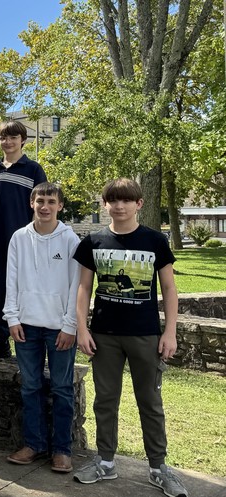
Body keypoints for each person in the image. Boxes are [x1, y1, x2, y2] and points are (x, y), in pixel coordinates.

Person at [72, 178, 187, 497]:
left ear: (138, 204)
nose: (119, 206)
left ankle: (158, 468)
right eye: (113, 200)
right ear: (105, 204)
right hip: (105, 336)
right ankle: (105, 463)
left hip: (146, 335)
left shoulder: (154, 240)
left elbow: (169, 288)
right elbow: (83, 288)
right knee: (105, 401)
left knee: (150, 402)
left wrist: (170, 331)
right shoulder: (93, 241)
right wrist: (82, 328)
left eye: (126, 200)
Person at [3, 182, 79, 473]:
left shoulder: (70, 240)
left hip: (60, 327)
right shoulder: (19, 238)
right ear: (31, 203)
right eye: (40, 201)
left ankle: (61, 450)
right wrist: (12, 318)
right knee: (30, 386)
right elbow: (11, 280)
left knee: (61, 388)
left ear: (60, 205)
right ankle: (33, 445)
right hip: (26, 326)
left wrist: (70, 324)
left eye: (50, 201)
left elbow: (77, 286)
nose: (45, 206)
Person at [0, 121, 48, 360]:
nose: (7, 142)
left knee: (22, 292)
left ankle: (28, 344)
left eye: (13, 137)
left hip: (24, 244)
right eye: (2, 138)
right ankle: (0, 342)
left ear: (22, 140)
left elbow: (41, 208)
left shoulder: (34, 170)